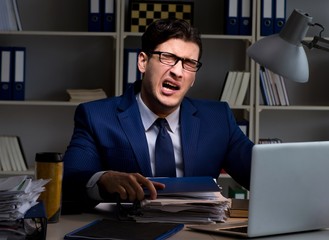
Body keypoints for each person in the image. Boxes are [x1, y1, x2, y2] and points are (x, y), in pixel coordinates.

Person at [62, 18, 254, 212]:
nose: (178, 72)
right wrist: (103, 180)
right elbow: (70, 180)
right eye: (168, 57)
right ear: (143, 62)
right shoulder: (96, 117)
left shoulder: (218, 118)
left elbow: (261, 174)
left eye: (189, 63)